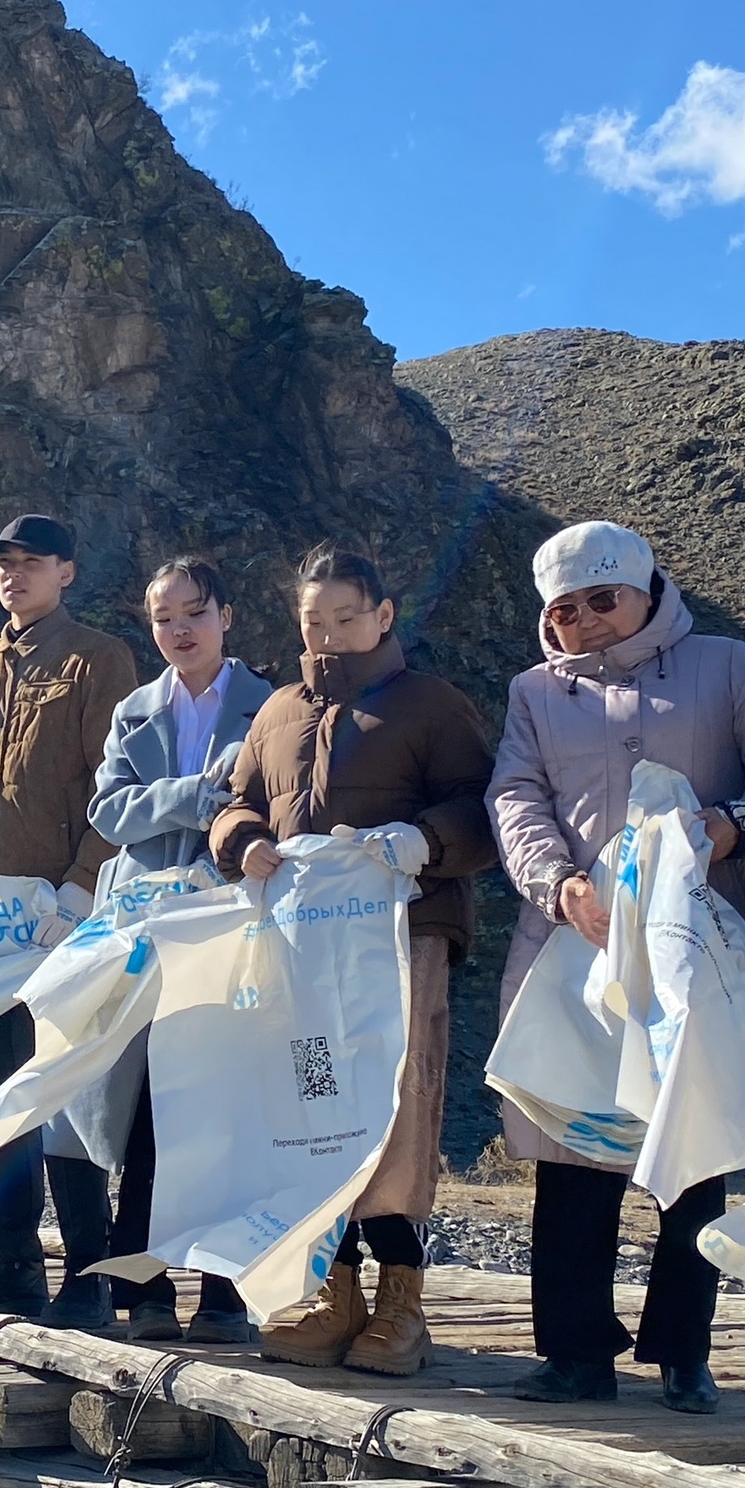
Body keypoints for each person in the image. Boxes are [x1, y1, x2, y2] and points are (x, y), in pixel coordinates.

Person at [488, 521, 745, 1409]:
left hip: (698, 945)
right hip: (573, 946)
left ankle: (684, 1351)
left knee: (690, 1147)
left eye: (603, 600)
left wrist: (732, 828)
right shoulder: (535, 693)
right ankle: (576, 1351)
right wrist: (559, 884)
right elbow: (514, 795)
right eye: (565, 610)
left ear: (649, 588)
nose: (586, 621)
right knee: (574, 1149)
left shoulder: (726, 666)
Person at [211, 545, 497, 1377]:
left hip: (401, 941)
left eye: (346, 617)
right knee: (313, 1108)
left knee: (397, 1106)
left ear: (383, 616)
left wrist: (423, 841)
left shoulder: (432, 707)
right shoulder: (276, 715)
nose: (330, 635)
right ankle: (335, 1296)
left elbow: (483, 811)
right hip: (299, 952)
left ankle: (402, 1302)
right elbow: (238, 801)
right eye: (314, 622)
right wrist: (245, 842)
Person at [0, 514, 137, 1319]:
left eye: (31, 563)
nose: (13, 576)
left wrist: (83, 891)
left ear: (67, 572)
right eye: (3, 565)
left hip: (61, 922)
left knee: (64, 1093)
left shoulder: (98, 659)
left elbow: (113, 790)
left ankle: (93, 1273)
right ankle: (13, 1264)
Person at [86, 556, 273, 1343]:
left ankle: (226, 1293)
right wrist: (195, 796)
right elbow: (107, 811)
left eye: (194, 613)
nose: (179, 630)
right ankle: (149, 1284)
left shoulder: (270, 706)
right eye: (164, 618)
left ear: (226, 616)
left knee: (225, 1106)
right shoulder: (135, 710)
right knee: (149, 1110)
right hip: (147, 930)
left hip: (236, 927)